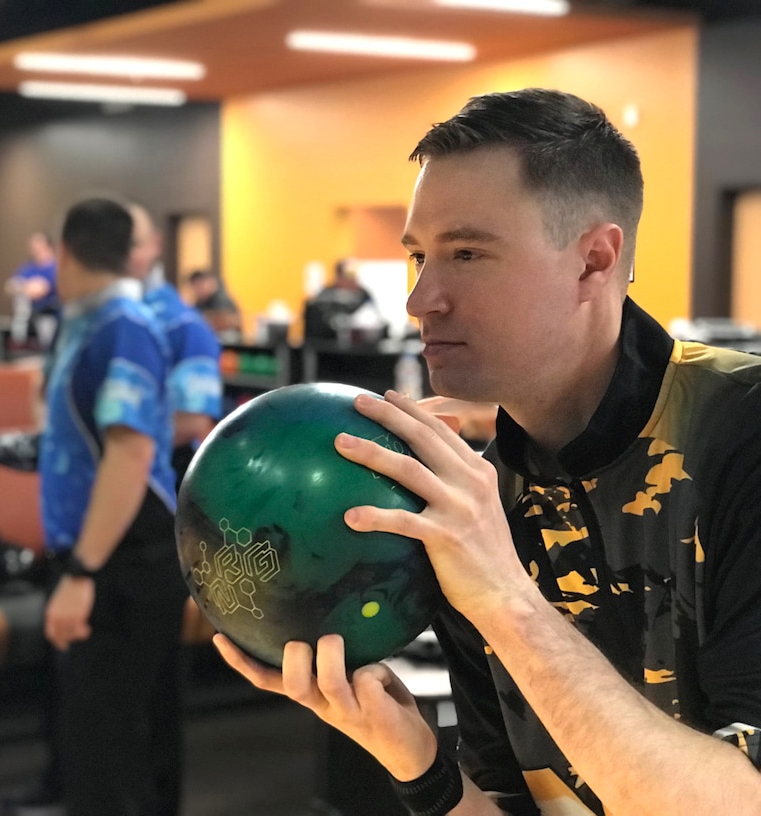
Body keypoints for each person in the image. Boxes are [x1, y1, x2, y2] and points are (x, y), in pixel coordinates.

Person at [216, 88, 761, 815]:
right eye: (418, 256)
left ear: (594, 262)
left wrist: (507, 601)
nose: (421, 300)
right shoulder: (472, 498)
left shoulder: (741, 434)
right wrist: (413, 756)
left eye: (467, 253)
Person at [0, 197, 184, 816]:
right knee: (87, 739)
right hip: (88, 552)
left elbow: (128, 457)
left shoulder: (124, 328)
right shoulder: (81, 323)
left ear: (63, 251)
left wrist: (82, 575)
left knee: (117, 755)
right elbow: (64, 447)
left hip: (124, 560)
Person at [127, 202, 223, 486]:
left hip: (156, 481)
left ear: (153, 245)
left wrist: (118, 452)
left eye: (130, 243)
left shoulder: (184, 326)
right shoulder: (89, 321)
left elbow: (192, 420)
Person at [186, 267, 242, 340]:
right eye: (195, 287)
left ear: (208, 283)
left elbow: (224, 321)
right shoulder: (200, 301)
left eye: (200, 286)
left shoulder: (221, 298)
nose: (197, 290)